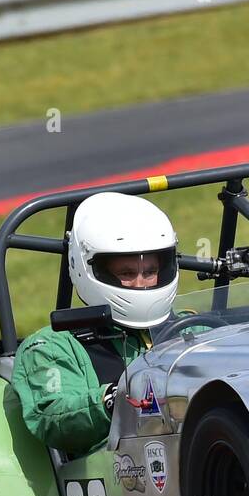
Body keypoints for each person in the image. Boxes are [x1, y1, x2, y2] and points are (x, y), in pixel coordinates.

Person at [11, 191, 179, 455]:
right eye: (126, 273)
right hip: (115, 470)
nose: (140, 283)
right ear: (90, 270)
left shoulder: (190, 329)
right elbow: (52, 416)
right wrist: (113, 399)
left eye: (150, 272)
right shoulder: (52, 346)